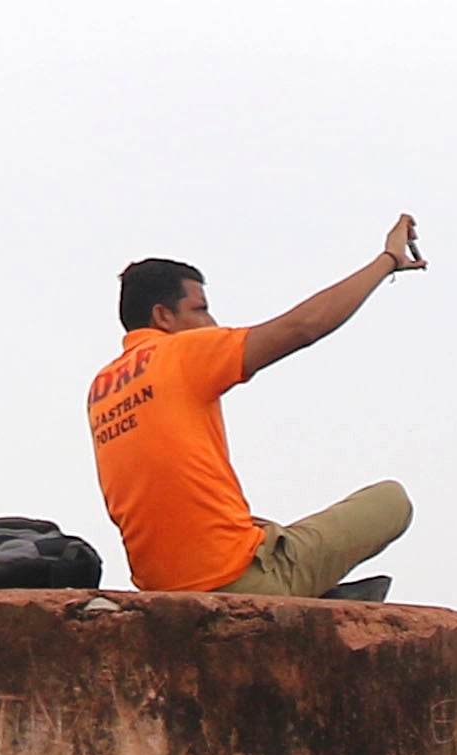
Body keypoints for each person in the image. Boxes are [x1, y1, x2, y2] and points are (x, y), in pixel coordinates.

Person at [88, 227, 424, 600]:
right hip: (236, 580)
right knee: (392, 500)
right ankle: (311, 606)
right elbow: (303, 326)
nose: (211, 323)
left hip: (162, 588)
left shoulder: (102, 387)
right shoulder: (182, 353)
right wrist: (387, 261)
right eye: (200, 310)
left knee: (259, 528)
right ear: (163, 316)